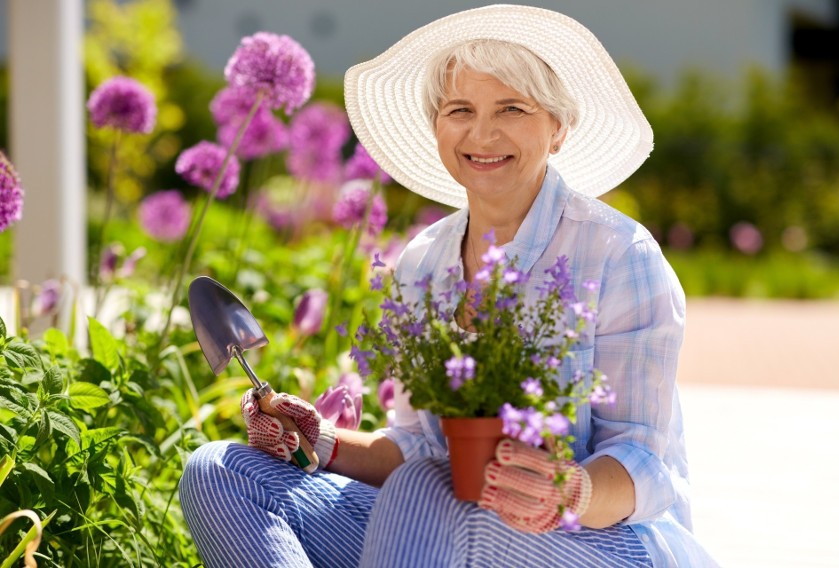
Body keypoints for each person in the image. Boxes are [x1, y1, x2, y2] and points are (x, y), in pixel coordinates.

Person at [179, 5, 719, 567]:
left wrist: (569, 491)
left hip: (602, 544)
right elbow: (416, 447)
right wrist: (324, 440)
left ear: (557, 127)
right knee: (220, 472)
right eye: (460, 109)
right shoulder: (423, 262)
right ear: (437, 126)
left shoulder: (617, 254)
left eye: (512, 108)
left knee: (430, 494)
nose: (482, 133)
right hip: (435, 531)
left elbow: (645, 462)